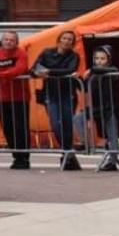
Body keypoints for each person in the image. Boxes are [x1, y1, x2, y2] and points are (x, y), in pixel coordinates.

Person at [32, 30, 83, 171]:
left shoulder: (74, 56)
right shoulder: (46, 52)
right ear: (59, 39)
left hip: (68, 94)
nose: (66, 41)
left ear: (72, 43)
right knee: (55, 125)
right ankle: (68, 153)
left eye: (70, 39)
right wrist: (41, 72)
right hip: (50, 94)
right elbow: (34, 69)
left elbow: (70, 70)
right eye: (64, 38)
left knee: (67, 125)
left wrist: (48, 71)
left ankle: (66, 155)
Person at [0, 31, 33, 170]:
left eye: (12, 40)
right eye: (6, 39)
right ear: (1, 41)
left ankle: (24, 157)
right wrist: (0, 76)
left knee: (21, 128)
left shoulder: (21, 53)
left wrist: (0, 75)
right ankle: (16, 155)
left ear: (16, 42)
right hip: (3, 97)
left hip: (20, 97)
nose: (8, 42)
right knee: (7, 128)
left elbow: (20, 69)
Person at [85, 47, 119, 172]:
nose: (99, 61)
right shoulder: (92, 74)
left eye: (102, 58)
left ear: (108, 59)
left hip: (110, 107)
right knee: (78, 119)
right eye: (96, 58)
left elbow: (113, 70)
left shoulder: (112, 70)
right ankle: (90, 145)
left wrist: (92, 70)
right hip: (96, 107)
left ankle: (112, 160)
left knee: (112, 134)